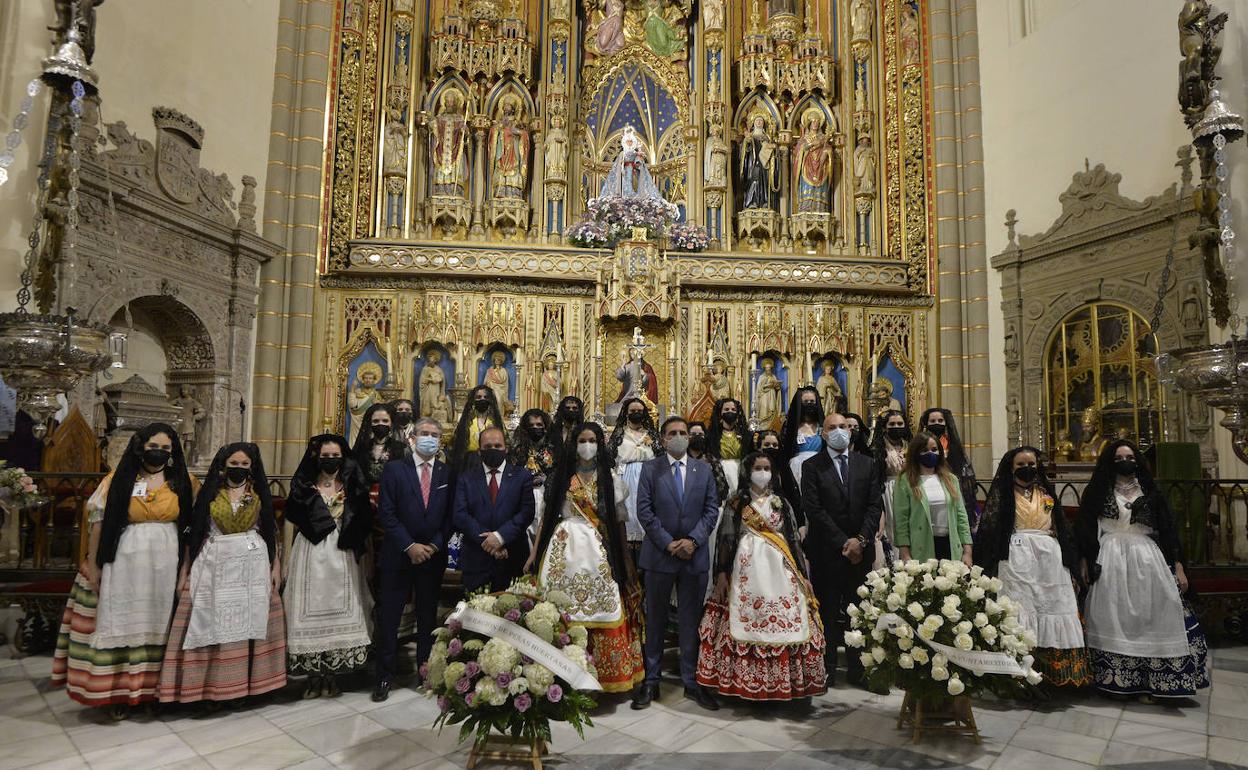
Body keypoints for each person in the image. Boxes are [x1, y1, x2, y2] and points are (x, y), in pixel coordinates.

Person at [51, 424, 196, 719]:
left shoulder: (184, 481)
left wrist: (186, 569)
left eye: (167, 449)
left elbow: (191, 530)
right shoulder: (118, 480)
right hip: (124, 561)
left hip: (165, 562)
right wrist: (94, 565)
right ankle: (116, 693)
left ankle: (151, 693)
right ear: (140, 446)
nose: (160, 453)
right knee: (123, 621)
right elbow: (97, 522)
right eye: (154, 446)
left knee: (158, 626)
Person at [1076, 441, 1209, 700]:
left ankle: (1157, 681)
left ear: (1137, 459)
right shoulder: (1098, 491)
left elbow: (1169, 530)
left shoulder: (1149, 490)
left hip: (1148, 559)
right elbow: (1084, 528)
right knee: (1114, 616)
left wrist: (1179, 566)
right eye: (1119, 457)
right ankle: (1120, 682)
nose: (1125, 460)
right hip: (1110, 556)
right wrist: (1084, 559)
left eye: (1129, 456)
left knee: (1155, 614)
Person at [158, 443, 286, 706]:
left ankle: (244, 688)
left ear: (252, 468)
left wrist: (275, 566)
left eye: (244, 465)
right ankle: (208, 688)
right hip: (213, 564)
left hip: (252, 568)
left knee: (247, 626)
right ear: (223, 465)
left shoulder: (258, 495)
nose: (238, 469)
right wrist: (185, 570)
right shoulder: (210, 494)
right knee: (209, 621)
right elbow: (194, 534)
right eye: (234, 464)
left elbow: (271, 534)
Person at [699, 452, 826, 701]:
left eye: (767, 467)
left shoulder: (782, 501)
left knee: (789, 617)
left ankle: (788, 682)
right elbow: (725, 540)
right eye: (758, 467)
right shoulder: (737, 503)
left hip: (781, 568)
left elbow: (793, 540)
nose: (763, 472)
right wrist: (722, 573)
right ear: (748, 470)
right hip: (745, 567)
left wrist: (803, 572)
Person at [530, 423, 645, 694]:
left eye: (592, 440)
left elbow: (618, 524)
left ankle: (604, 675)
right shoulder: (560, 478)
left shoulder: (611, 479)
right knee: (561, 607)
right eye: (582, 440)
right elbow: (546, 518)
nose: (587, 445)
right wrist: (534, 553)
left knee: (604, 605)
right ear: (574, 444)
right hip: (563, 549)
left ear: (600, 443)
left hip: (600, 551)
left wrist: (626, 559)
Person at [975, 447, 1090, 689]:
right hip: (1016, 561)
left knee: (1053, 606)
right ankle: (1017, 676)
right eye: (1020, 464)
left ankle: (1054, 675)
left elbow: (1061, 526)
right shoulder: (1003, 495)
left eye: (1031, 463)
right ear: (1011, 467)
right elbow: (991, 529)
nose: (1027, 468)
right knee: (1020, 609)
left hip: (1050, 562)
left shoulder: (1046, 493)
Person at [631, 416, 720, 711]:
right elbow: (644, 509)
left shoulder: (704, 469)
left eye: (683, 432)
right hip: (659, 555)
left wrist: (693, 541)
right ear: (663, 438)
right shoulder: (650, 468)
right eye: (673, 433)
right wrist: (668, 542)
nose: (680, 437)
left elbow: (711, 510)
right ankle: (651, 680)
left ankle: (692, 681)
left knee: (690, 620)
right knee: (655, 620)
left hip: (694, 556)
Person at [283, 434, 374, 699]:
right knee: (308, 608)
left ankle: (332, 676)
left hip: (342, 554)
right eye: (326, 456)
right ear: (316, 457)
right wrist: (286, 560)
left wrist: (366, 560)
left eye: (335, 456)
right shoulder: (304, 486)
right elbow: (291, 520)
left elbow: (364, 524)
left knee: (338, 609)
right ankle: (313, 677)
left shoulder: (352, 485)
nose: (331, 460)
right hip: (310, 552)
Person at [800, 412, 882, 687]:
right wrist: (843, 542)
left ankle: (859, 670)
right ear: (823, 434)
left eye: (844, 427)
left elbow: (874, 506)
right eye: (832, 427)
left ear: (851, 431)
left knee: (858, 612)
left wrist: (860, 539)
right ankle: (827, 669)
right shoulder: (812, 466)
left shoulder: (867, 464)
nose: (839, 431)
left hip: (861, 551)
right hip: (827, 551)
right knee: (827, 612)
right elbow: (814, 508)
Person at [375, 418, 454, 701]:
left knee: (427, 616)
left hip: (432, 557)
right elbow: (386, 512)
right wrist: (409, 546)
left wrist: (432, 545)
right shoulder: (395, 469)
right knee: (390, 617)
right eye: (424, 434)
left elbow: (450, 516)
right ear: (413, 437)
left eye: (435, 435)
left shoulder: (447, 473)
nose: (429, 438)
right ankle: (384, 675)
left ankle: (426, 672)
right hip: (398, 554)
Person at [452, 426, 535, 592]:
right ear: (479, 451)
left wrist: (500, 537)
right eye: (487, 447)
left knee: (512, 614)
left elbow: (526, 513)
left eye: (497, 446)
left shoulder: (522, 476)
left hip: (512, 555)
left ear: (506, 448)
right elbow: (460, 515)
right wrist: (489, 542)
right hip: (476, 558)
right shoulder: (466, 478)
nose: (493, 450)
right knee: (475, 612)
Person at [893, 432, 973, 565]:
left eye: (934, 449)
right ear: (916, 453)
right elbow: (901, 521)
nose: (930, 453)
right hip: (921, 545)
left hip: (949, 544)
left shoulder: (951, 479)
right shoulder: (905, 480)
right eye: (925, 450)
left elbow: (961, 517)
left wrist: (967, 552)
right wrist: (905, 553)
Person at [608, 397, 659, 562]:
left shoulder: (651, 433)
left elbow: (660, 456)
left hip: (648, 476)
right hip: (626, 476)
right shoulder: (619, 433)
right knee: (628, 511)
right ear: (626, 413)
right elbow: (610, 457)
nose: (636, 414)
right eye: (632, 411)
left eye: (639, 411)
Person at [918, 408, 979, 529]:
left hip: (950, 488)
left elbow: (964, 472)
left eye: (940, 420)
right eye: (933, 421)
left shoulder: (952, 446)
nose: (937, 423)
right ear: (926, 424)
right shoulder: (920, 445)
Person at [869, 409, 910, 565]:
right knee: (891, 531)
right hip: (887, 491)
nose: (896, 426)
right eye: (892, 424)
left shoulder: (911, 446)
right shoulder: (877, 449)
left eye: (900, 423)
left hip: (908, 490)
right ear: (884, 427)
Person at [510, 408, 556, 543]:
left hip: (545, 494)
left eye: (539, 425)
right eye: (531, 425)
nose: (535, 428)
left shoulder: (552, 448)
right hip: (524, 494)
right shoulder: (519, 449)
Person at [780, 386, 824, 509]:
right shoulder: (791, 426)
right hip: (796, 468)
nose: (809, 405)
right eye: (805, 402)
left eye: (812, 402)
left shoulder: (822, 425)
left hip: (820, 467)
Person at [449, 386, 505, 473]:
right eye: (478, 397)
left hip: (492, 460)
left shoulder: (496, 422)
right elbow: (457, 445)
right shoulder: (466, 422)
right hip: (469, 463)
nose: (482, 399)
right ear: (473, 400)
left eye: (485, 397)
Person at [353, 403, 407, 486]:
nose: (380, 424)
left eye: (385, 421)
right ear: (370, 423)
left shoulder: (402, 448)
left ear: (391, 423)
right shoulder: (362, 448)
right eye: (375, 421)